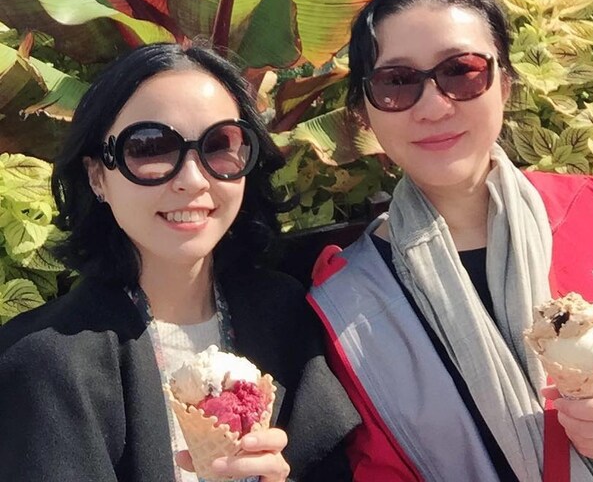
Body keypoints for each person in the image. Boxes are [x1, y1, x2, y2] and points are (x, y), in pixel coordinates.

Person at [308, 0, 593, 482]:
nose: (433, 107)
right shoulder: (349, 300)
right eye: (397, 82)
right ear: (364, 113)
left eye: (461, 71)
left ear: (504, 84)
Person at [0, 43, 359, 482]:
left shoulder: (284, 317)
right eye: (150, 147)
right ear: (97, 176)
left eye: (220, 144)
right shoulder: (45, 364)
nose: (192, 180)